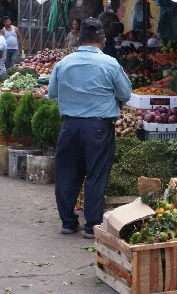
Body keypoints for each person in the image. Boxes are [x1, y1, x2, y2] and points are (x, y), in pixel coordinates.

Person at [48, 17, 132, 239]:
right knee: (95, 175)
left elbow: (52, 93)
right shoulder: (111, 64)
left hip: (70, 126)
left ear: (79, 39)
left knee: (67, 174)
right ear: (102, 40)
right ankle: (91, 225)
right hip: (98, 128)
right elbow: (125, 94)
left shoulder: (63, 63)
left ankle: (68, 222)